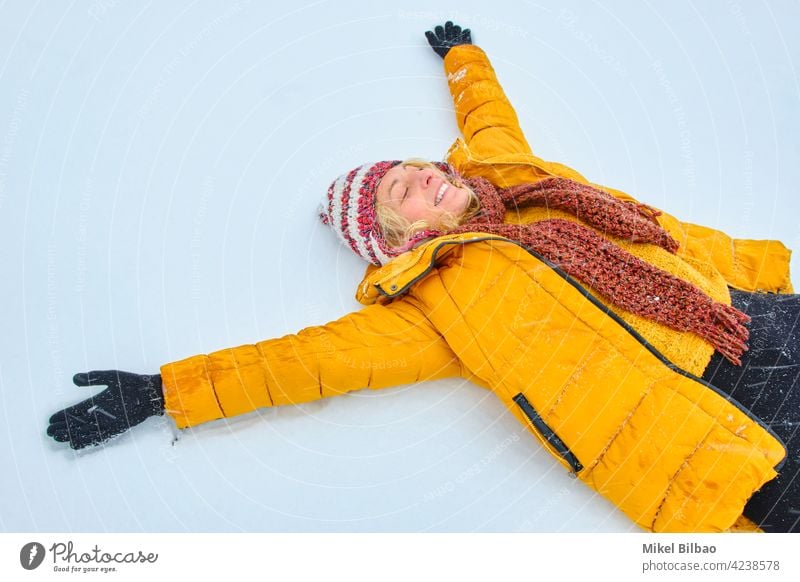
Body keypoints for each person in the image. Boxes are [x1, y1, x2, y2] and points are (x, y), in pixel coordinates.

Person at [47, 22, 798, 533]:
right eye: (397, 193)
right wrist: (161, 391)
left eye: (412, 168)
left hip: (744, 316)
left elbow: (487, 120)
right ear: (400, 241)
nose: (418, 175)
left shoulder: (509, 176)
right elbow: (308, 362)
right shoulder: (438, 304)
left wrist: (462, 59)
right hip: (708, 422)